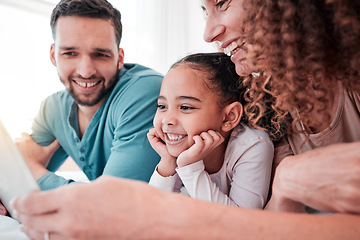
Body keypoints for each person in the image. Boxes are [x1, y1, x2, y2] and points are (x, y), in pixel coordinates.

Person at [11, 0, 360, 239]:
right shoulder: (267, 103)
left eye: (222, 2)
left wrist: (290, 177)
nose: (208, 33)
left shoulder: (255, 135)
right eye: (204, 9)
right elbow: (277, 223)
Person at [13, 0, 163, 192]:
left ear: (120, 58)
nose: (85, 71)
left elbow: (111, 201)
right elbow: (15, 177)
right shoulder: (52, 109)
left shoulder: (146, 92)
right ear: (53, 56)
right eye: (70, 53)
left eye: (101, 54)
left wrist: (32, 172)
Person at [148, 52, 273, 207]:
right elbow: (153, 212)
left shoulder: (253, 145)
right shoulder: (181, 145)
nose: (167, 120)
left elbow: (240, 224)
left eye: (185, 107)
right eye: (162, 106)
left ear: (229, 117)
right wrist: (167, 162)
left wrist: (190, 167)